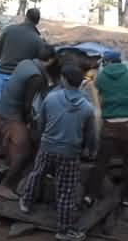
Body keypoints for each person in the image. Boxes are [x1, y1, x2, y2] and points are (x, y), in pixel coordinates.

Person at [19, 64, 96, 241]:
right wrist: (90, 150)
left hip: (47, 146)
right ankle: (63, 229)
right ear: (80, 83)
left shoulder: (51, 99)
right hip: (70, 152)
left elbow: (41, 122)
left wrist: (42, 139)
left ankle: (26, 202)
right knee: (66, 190)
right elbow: (90, 134)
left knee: (37, 173)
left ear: (64, 80)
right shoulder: (86, 107)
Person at [0, 44, 56, 200]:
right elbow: (28, 106)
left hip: (2, 108)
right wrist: (33, 125)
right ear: (51, 60)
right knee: (25, 151)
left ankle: (7, 167)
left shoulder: (25, 63)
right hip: (11, 115)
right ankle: (4, 186)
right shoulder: (37, 77)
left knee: (14, 145)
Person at [84, 50, 128, 206]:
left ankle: (91, 194)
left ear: (106, 62)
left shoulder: (100, 77)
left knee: (101, 161)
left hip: (109, 125)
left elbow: (97, 91)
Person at [0, 8, 46, 110]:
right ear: (37, 22)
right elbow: (41, 61)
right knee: (15, 110)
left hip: (2, 75)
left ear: (26, 17)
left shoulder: (9, 30)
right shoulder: (38, 40)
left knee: (1, 108)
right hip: (20, 79)